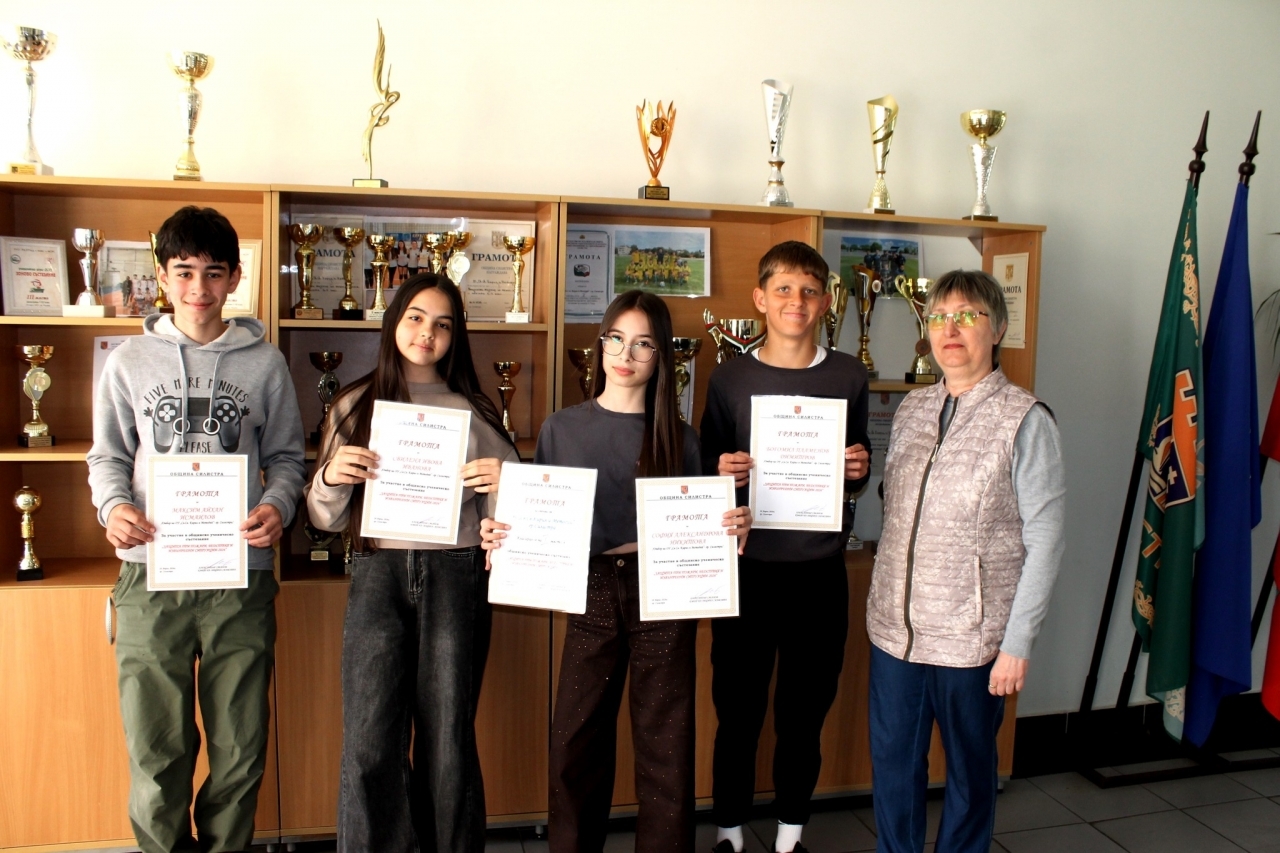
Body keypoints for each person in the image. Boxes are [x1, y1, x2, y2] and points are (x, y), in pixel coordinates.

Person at [482, 290, 751, 853]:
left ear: (661, 357)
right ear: (600, 344)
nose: (626, 354)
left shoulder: (681, 438)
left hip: (663, 593)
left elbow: (701, 526)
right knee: (574, 741)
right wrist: (503, 534)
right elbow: (538, 517)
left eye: (644, 344)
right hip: (591, 588)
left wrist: (731, 523)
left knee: (666, 745)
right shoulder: (561, 429)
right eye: (617, 339)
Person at [87, 205, 307, 853]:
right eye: (184, 272)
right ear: (162, 276)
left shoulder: (264, 363)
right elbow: (106, 457)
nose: (198, 288)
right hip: (150, 575)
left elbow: (288, 458)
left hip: (239, 578)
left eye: (214, 273)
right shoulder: (129, 361)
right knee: (156, 747)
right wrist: (114, 508)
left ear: (235, 278)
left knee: (240, 747)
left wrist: (278, 504)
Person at [306, 272, 519, 853]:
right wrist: (331, 477)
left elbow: (508, 518)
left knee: (447, 738)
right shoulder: (354, 404)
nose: (428, 333)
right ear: (393, 321)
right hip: (378, 575)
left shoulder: (473, 410)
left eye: (443, 325)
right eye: (416, 318)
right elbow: (323, 518)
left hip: (456, 577)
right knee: (369, 737)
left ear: (456, 337)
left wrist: (504, 489)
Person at [866, 269, 1065, 853]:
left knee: (970, 779)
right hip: (895, 635)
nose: (950, 329)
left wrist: (1017, 643)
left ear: (997, 328)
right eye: (939, 317)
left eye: (967, 316)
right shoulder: (912, 409)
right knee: (893, 770)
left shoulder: (1025, 419)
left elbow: (1047, 537)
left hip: (972, 642)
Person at [701, 241, 871, 853]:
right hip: (747, 572)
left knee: (805, 712)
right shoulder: (730, 376)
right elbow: (708, 465)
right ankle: (728, 831)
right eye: (783, 289)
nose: (795, 301)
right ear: (760, 298)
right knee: (738, 711)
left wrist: (857, 470)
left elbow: (856, 469)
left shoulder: (848, 375)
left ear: (824, 302)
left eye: (808, 290)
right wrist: (722, 469)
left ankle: (790, 835)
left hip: (818, 573)